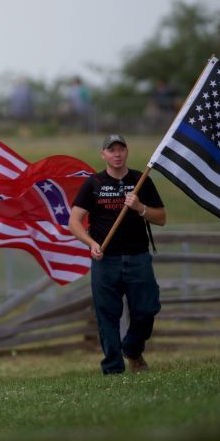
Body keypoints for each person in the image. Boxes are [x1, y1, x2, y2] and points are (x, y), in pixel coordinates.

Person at [68, 135, 166, 375]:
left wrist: (140, 208)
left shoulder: (141, 181)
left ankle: (132, 349)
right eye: (111, 150)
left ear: (127, 152)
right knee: (107, 315)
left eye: (121, 149)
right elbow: (74, 221)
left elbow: (161, 217)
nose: (117, 154)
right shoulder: (93, 183)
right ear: (103, 154)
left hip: (138, 257)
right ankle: (113, 367)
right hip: (106, 260)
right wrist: (91, 243)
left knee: (147, 309)